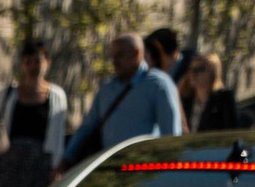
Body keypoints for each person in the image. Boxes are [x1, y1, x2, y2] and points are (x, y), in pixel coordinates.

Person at [61, 33, 183, 172]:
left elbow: (171, 134)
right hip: (110, 170)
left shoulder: (158, 85)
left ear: (136, 54)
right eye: (112, 57)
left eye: (119, 56)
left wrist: (167, 169)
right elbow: (87, 127)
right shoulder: (107, 89)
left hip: (144, 170)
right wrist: (66, 159)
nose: (114, 62)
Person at [0, 39, 66, 187]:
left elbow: (57, 136)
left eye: (38, 61)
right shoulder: (8, 93)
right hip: (9, 164)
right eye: (28, 62)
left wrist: (55, 167)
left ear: (47, 62)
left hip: (39, 166)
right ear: (22, 64)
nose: (33, 67)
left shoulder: (56, 96)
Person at [177, 53, 238, 134]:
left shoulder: (224, 99)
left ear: (212, 72)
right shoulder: (187, 100)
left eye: (199, 69)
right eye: (190, 69)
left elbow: (232, 131)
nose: (192, 73)